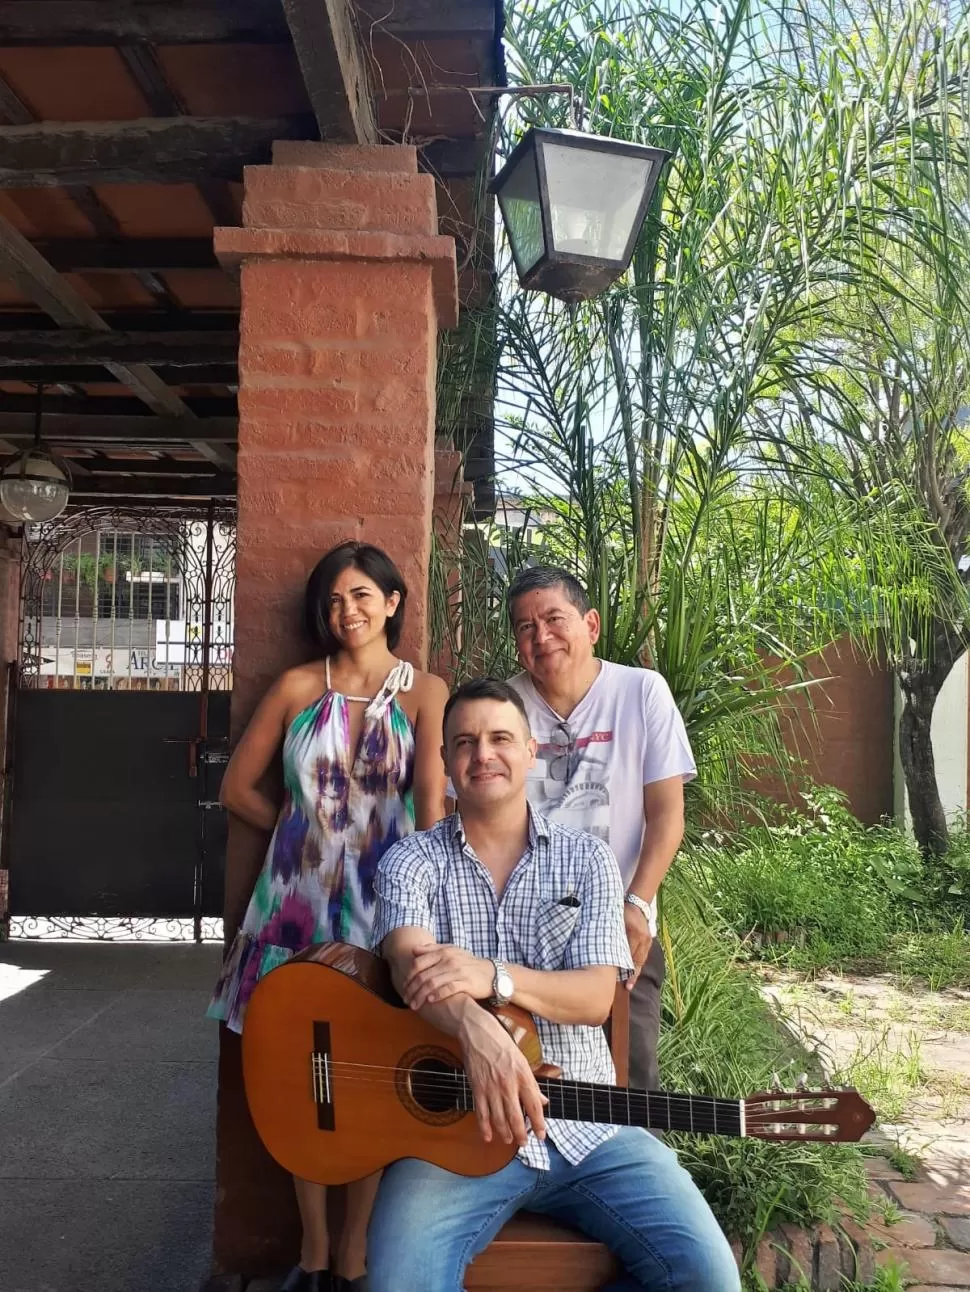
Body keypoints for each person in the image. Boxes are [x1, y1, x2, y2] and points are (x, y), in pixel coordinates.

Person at [367, 678, 739, 1292]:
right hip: (453, 1135)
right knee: (398, 1283)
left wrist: (494, 977)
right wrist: (478, 1031)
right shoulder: (410, 862)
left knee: (707, 1278)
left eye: (499, 738)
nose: (482, 754)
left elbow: (595, 998)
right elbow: (413, 969)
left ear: (531, 750)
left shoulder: (586, 859)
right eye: (464, 742)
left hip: (588, 1126)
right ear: (444, 762)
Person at [207, 541, 448, 1292]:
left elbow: (434, 812)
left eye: (361, 596)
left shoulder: (426, 693)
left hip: (383, 914)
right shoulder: (295, 687)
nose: (348, 611)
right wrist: (303, 827)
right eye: (335, 600)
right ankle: (313, 1254)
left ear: (392, 602)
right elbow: (236, 791)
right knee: (298, 1077)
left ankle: (354, 1254)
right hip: (291, 912)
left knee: (370, 1082)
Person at [505, 565, 696, 1094]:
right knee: (527, 1082)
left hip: (617, 928)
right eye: (525, 627)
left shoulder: (641, 693)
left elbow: (667, 815)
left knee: (630, 1086)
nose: (541, 637)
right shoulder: (504, 705)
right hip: (520, 931)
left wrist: (637, 906)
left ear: (590, 625)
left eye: (553, 619)